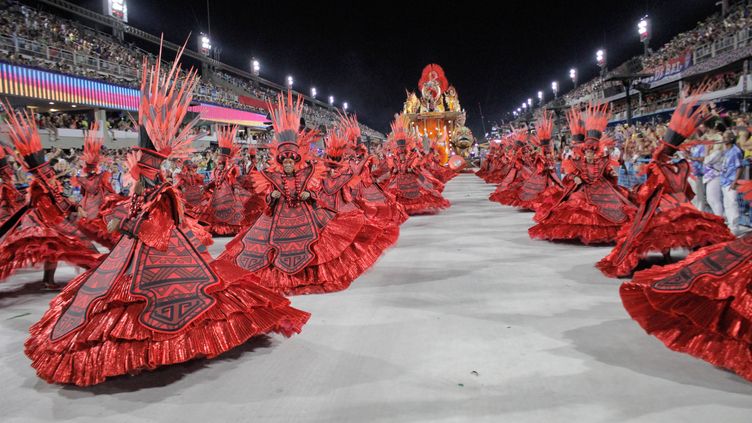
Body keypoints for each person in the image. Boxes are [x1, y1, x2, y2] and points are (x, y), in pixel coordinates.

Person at [24, 43, 309, 387]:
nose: (134, 175)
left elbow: (156, 232)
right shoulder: (147, 190)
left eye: (138, 171)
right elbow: (142, 221)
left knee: (166, 303)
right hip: (139, 256)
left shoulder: (163, 191)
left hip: (162, 256)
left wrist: (123, 222)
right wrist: (120, 217)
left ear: (148, 170)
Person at [597, 90, 736, 278]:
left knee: (674, 229)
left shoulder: (665, 165)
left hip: (666, 203)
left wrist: (642, 194)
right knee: (681, 228)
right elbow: (678, 189)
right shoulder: (676, 165)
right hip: (671, 203)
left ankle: (689, 253)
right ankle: (689, 253)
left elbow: (653, 188)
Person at [0, 101, 102, 289]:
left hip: (53, 221)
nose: (50, 174)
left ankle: (51, 280)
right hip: (49, 222)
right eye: (47, 172)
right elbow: (53, 200)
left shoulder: (43, 182)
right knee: (67, 247)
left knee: (56, 250)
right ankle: (96, 270)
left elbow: (58, 196)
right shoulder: (39, 185)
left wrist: (74, 206)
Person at [72, 122, 126, 249]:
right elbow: (87, 191)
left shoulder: (96, 177)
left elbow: (97, 189)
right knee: (102, 235)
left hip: (97, 209)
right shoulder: (97, 177)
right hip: (92, 210)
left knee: (106, 235)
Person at [720, 129, 744, 233]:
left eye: (726, 137)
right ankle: (730, 224)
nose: (724, 139)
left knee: (732, 203)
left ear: (731, 138)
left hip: (731, 181)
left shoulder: (736, 151)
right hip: (724, 180)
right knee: (727, 204)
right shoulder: (726, 150)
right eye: (723, 137)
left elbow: (739, 167)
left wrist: (735, 180)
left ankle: (735, 227)